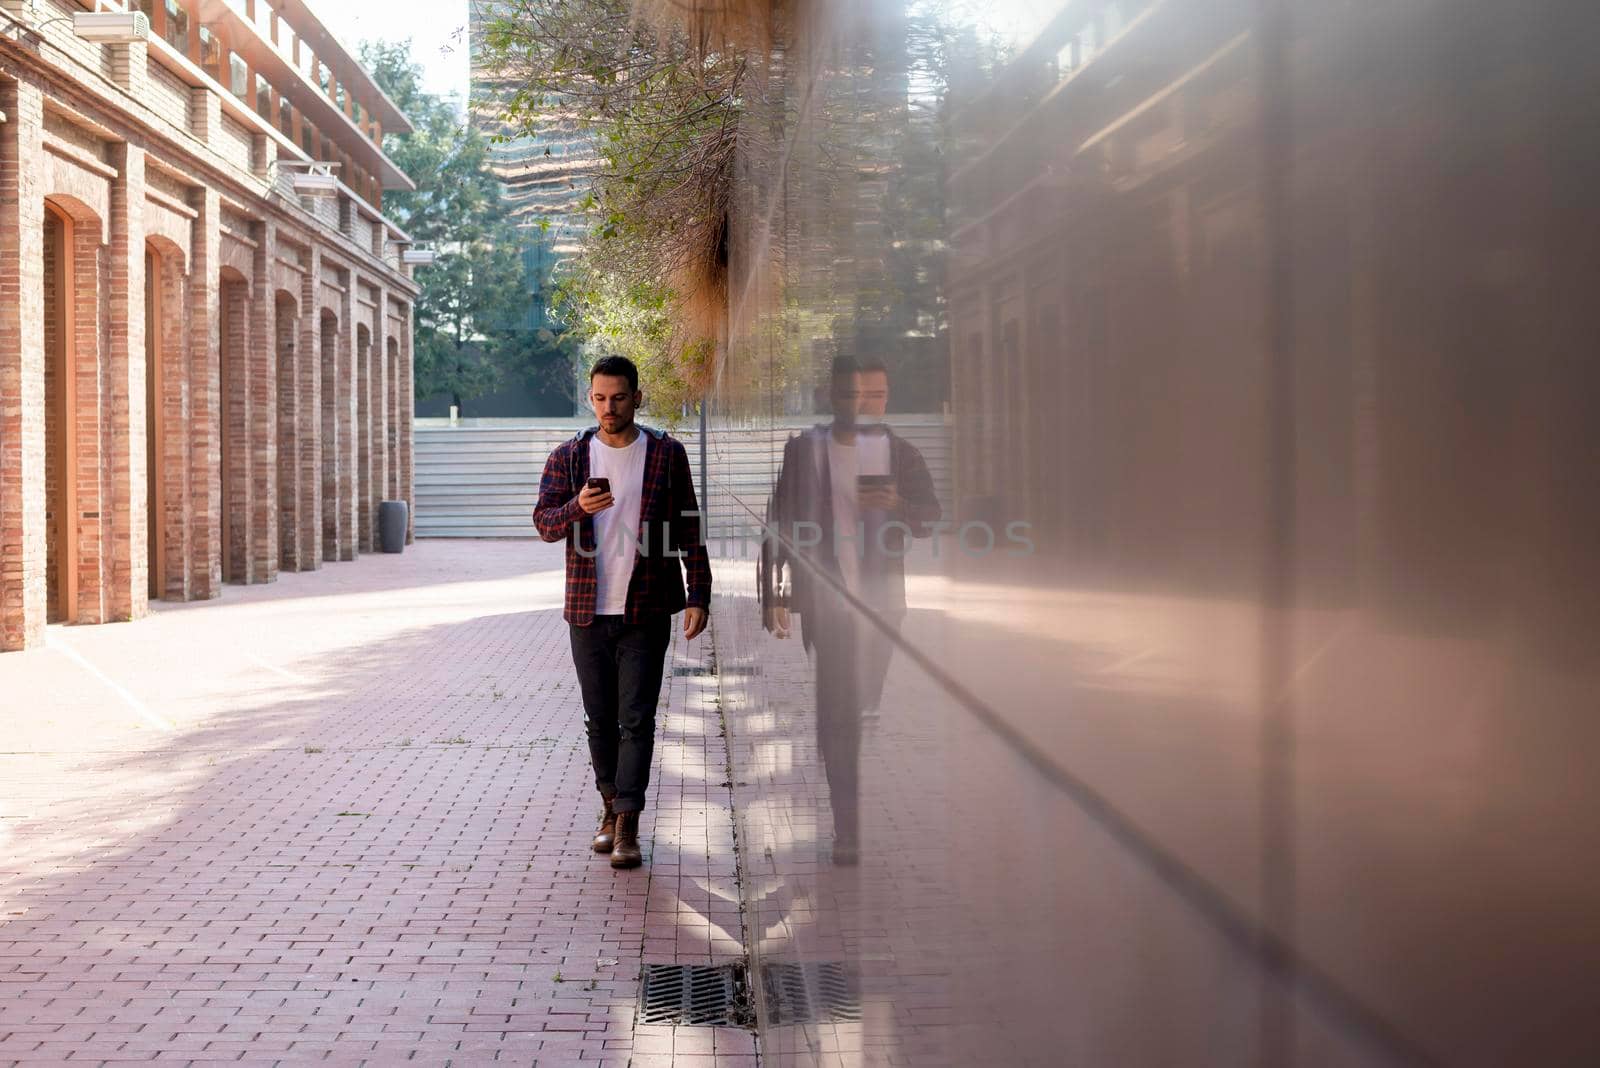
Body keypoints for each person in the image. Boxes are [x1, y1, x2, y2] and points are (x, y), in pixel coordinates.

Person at [759, 356, 940, 864]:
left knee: (856, 708)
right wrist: (774, 592)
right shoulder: (803, 451)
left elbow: (930, 518)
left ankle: (845, 744)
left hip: (883, 609)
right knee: (839, 711)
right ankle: (848, 830)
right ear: (833, 396)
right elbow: (780, 520)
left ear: (887, 398)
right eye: (853, 395)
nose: (864, 405)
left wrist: (897, 504)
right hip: (826, 604)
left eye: (875, 396)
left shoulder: (901, 454)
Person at [534, 355, 711, 869]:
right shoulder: (569, 456)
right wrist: (576, 509)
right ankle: (609, 808)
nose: (609, 407)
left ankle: (629, 824)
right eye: (600, 398)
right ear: (591, 398)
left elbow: (688, 527)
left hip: (647, 605)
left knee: (637, 718)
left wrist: (698, 593)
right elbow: (544, 524)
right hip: (587, 610)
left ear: (637, 396)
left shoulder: (665, 454)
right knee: (600, 719)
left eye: (618, 397)